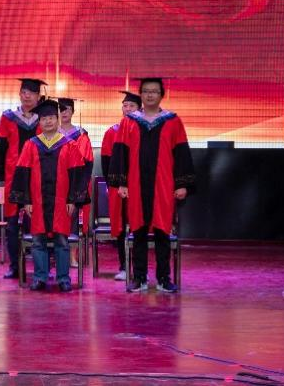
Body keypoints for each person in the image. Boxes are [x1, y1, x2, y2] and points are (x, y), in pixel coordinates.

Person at [108, 78, 194, 293]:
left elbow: (181, 153)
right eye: (146, 91)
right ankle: (139, 277)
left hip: (163, 183)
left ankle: (164, 278)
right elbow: (121, 153)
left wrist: (181, 184)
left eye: (154, 91)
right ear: (141, 95)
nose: (150, 95)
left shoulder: (173, 121)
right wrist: (122, 183)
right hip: (136, 183)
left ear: (161, 95)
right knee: (138, 230)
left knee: (163, 230)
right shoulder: (129, 122)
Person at [10, 98, 90, 292]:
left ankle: (63, 278)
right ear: (39, 121)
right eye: (44, 118)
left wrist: (72, 200)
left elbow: (77, 174)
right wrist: (26, 201)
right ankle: (40, 277)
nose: (48, 122)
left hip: (61, 202)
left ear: (57, 120)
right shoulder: (31, 145)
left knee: (62, 240)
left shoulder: (69, 145)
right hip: (37, 202)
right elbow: (23, 172)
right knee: (38, 241)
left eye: (51, 118)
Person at [0, 78, 45, 279]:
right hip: (13, 176)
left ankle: (39, 267)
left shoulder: (44, 117)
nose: (27, 96)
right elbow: (1, 148)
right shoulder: (8, 118)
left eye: (31, 93)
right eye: (24, 92)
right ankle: (15, 266)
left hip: (38, 177)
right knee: (12, 224)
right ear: (19, 94)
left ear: (38, 96)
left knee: (38, 222)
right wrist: (2, 177)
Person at [100, 90, 142, 281]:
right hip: (118, 186)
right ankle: (124, 266)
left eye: (132, 106)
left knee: (139, 225)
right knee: (121, 225)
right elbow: (106, 160)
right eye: (125, 106)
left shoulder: (145, 130)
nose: (127, 109)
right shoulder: (112, 132)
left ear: (140, 109)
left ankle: (140, 268)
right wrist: (112, 184)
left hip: (139, 185)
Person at [58, 97, 93, 267]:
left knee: (72, 219)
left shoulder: (81, 134)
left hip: (74, 183)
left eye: (67, 109)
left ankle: (72, 256)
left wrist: (80, 186)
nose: (64, 112)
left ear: (73, 111)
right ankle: (56, 255)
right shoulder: (50, 134)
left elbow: (87, 161)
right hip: (56, 183)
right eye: (60, 109)